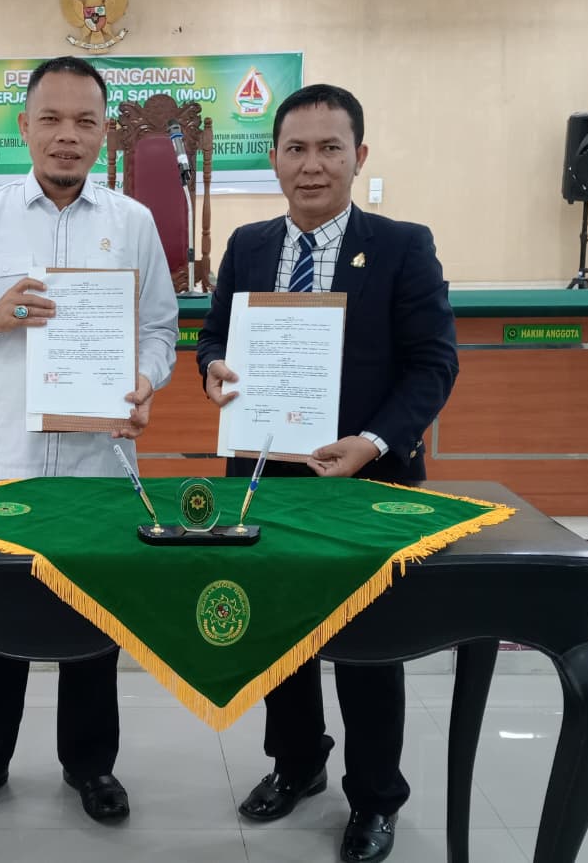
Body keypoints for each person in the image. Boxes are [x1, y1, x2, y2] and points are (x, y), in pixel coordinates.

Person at [0, 55, 179, 826]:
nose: (67, 135)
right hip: (6, 465)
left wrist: (146, 379)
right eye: (51, 119)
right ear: (24, 126)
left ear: (104, 132)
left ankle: (91, 765)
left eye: (84, 121)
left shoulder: (133, 223)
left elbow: (161, 328)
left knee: (94, 620)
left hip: (99, 463)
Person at [196, 84, 458, 863]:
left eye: (330, 148)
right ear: (274, 158)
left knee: (368, 643)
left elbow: (433, 363)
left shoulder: (403, 245)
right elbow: (214, 336)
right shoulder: (247, 245)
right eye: (296, 149)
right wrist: (212, 368)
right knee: (281, 633)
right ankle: (297, 762)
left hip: (365, 480)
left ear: (358, 156)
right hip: (265, 475)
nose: (312, 165)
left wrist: (373, 441)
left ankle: (375, 794)